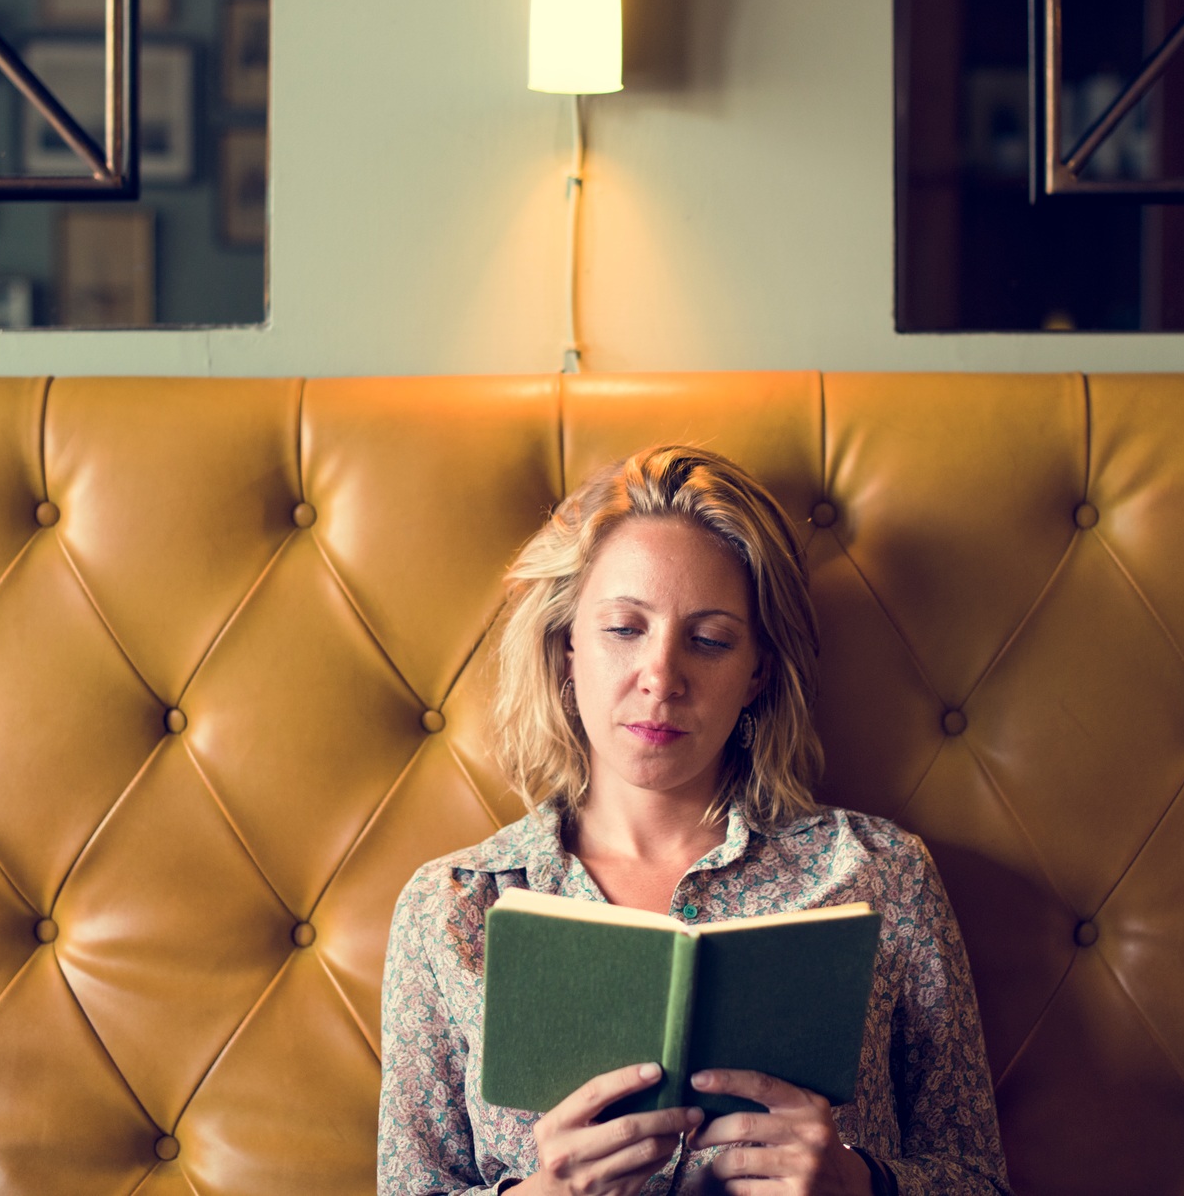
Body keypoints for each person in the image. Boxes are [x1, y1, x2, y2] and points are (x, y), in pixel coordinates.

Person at [377, 445, 1010, 1196]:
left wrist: (856, 1182)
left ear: (757, 673)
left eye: (709, 640)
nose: (662, 677)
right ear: (567, 646)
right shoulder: (453, 907)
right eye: (624, 628)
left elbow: (978, 1180)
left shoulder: (880, 874)